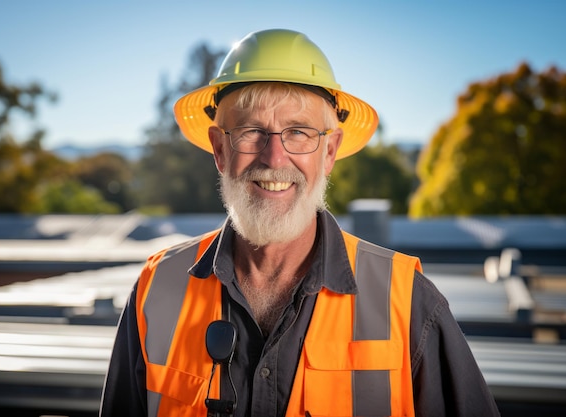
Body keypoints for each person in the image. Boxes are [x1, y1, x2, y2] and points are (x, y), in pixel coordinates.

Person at [99, 29, 500, 417]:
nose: (275, 158)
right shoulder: (156, 290)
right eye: (252, 131)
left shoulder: (409, 303)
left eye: (298, 132)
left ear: (329, 152)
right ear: (219, 149)